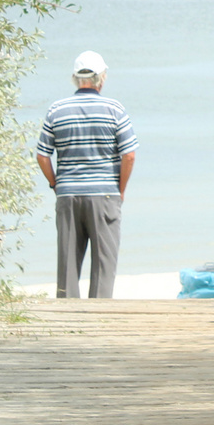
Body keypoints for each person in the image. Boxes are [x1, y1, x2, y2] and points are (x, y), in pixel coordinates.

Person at [36, 50, 138, 298]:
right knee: (104, 263)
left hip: (68, 195)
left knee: (68, 263)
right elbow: (129, 155)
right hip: (105, 194)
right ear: (101, 78)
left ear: (75, 78)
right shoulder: (114, 109)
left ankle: (66, 318)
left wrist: (55, 184)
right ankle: (99, 317)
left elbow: (42, 155)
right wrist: (120, 189)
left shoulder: (56, 110)